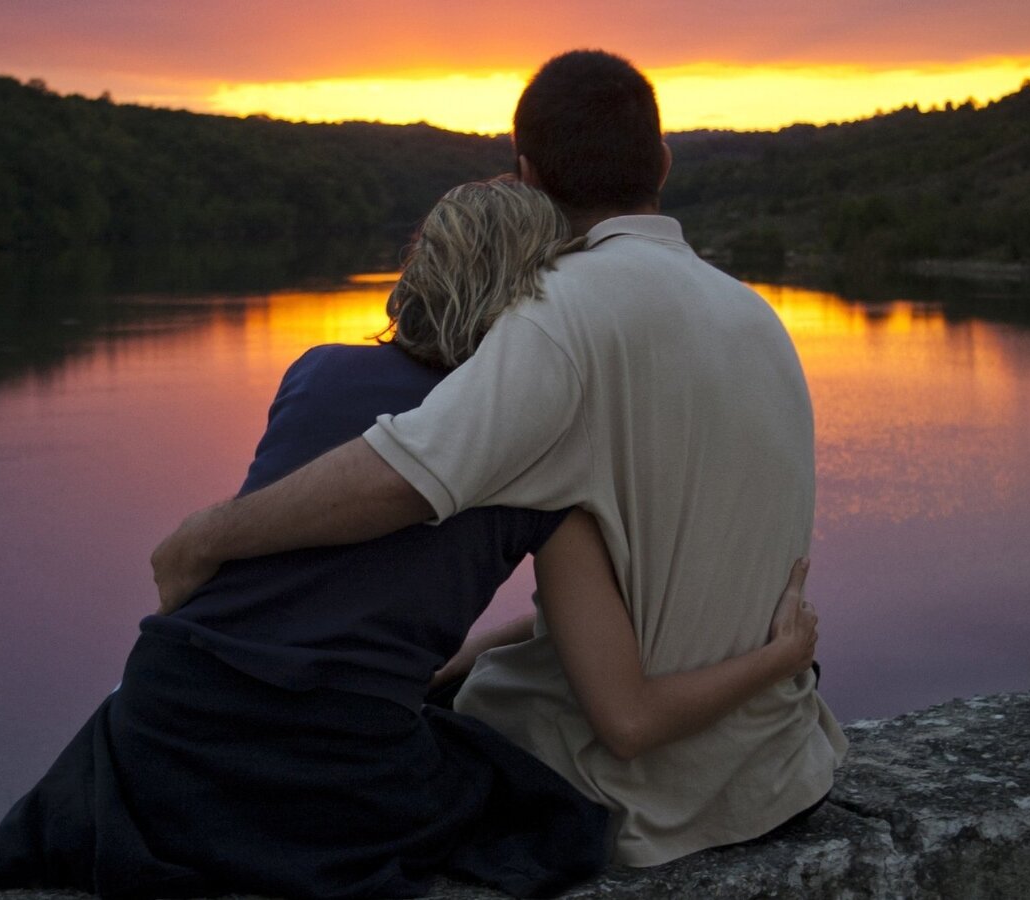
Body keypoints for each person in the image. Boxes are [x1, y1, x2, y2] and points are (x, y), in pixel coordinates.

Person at [0, 179, 821, 900]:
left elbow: (327, 590)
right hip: (325, 762)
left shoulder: (314, 371)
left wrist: (447, 665)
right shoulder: (537, 452)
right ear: (540, 296)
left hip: (162, 721)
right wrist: (779, 657)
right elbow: (626, 716)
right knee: (544, 811)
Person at [151, 50, 849, 866]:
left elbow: (404, 474)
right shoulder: (757, 317)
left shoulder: (560, 315)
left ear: (524, 173)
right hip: (778, 771)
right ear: (661, 161)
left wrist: (206, 537)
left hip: (639, 797)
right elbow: (644, 594)